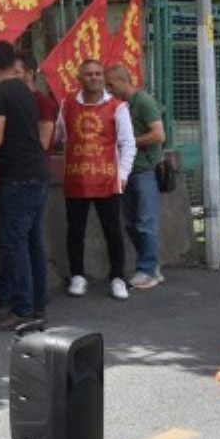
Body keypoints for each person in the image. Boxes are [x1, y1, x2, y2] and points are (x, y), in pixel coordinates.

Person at [0, 41, 50, 332]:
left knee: (16, 244)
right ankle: (38, 305)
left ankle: (23, 310)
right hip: (38, 173)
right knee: (33, 243)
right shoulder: (25, 91)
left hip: (18, 177)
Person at [59, 59, 136, 299]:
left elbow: (128, 144)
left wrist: (122, 175)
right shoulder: (66, 105)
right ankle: (78, 276)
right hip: (76, 179)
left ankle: (117, 277)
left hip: (107, 180)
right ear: (79, 79)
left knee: (113, 230)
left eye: (98, 74)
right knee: (75, 230)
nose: (94, 78)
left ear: (103, 78)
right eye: (89, 74)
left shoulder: (118, 107)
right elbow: (61, 136)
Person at [106, 64, 167, 289]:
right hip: (125, 170)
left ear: (123, 81)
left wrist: (129, 143)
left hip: (145, 169)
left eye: (111, 85)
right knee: (131, 223)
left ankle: (146, 270)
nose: (108, 89)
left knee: (145, 221)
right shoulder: (118, 105)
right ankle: (151, 265)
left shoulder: (143, 102)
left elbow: (159, 135)